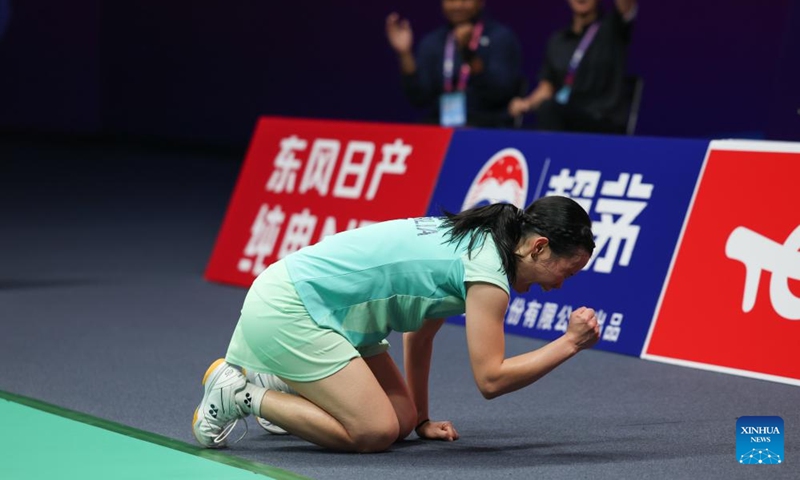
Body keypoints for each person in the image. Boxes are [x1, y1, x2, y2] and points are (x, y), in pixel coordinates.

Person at [192, 196, 600, 453]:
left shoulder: (484, 239)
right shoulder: (489, 271)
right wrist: (569, 343)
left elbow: (419, 335)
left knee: (402, 421)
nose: (560, 284)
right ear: (539, 246)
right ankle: (240, 395)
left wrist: (421, 418)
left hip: (332, 311)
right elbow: (490, 380)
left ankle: (283, 380)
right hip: (294, 307)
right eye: (568, 270)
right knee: (375, 431)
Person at [385, 0, 523, 128]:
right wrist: (405, 54)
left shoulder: (500, 37)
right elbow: (419, 98)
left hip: (486, 127)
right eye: (451, 0)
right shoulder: (433, 41)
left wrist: (468, 54)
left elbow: (500, 92)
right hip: (440, 127)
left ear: (480, 2)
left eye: (464, 0)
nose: (457, 6)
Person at [508, 0, 638, 133]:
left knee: (551, 111)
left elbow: (626, 5)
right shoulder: (558, 41)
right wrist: (527, 103)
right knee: (546, 111)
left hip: (602, 120)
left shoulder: (614, 27)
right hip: (566, 114)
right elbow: (547, 88)